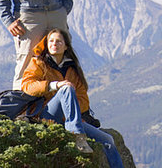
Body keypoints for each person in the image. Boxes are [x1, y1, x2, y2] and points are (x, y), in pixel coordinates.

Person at [22, 28, 124, 167]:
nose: (54, 44)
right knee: (66, 88)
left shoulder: (72, 69)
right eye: (50, 41)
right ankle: (78, 136)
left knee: (108, 140)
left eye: (58, 41)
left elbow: (83, 100)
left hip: (70, 119)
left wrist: (71, 107)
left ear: (66, 46)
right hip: (46, 115)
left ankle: (77, 132)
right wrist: (54, 85)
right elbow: (27, 86)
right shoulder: (38, 63)